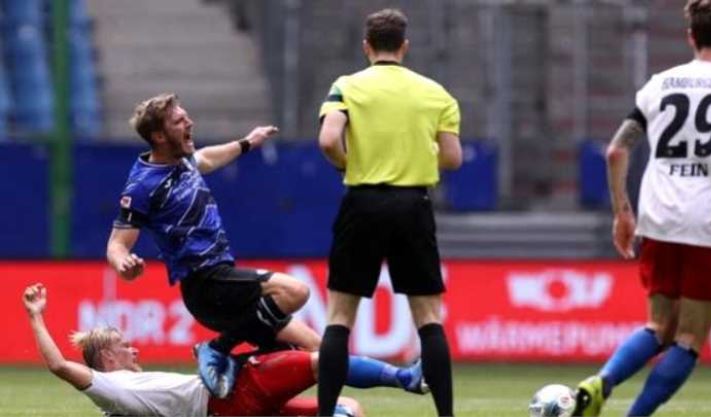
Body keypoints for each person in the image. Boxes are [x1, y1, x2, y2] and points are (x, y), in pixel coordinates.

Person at [573, 1, 711, 416]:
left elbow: (617, 150)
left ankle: (602, 380)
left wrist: (623, 212)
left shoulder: (659, 85)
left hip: (659, 218)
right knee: (688, 338)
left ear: (691, 36)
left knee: (658, 328)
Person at [105, 93, 312, 398]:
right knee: (296, 291)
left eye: (186, 116)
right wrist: (123, 264)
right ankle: (218, 348)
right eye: (179, 121)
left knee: (314, 351)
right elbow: (116, 244)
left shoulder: (183, 161)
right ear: (159, 136)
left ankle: (230, 370)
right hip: (205, 283)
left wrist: (247, 142)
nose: (189, 122)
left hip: (223, 279)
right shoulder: (142, 186)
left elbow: (208, 158)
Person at [315, 8, 462, 417]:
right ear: (405, 46)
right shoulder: (435, 93)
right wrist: (421, 152)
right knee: (428, 318)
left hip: (362, 201)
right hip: (413, 205)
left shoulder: (346, 86)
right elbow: (452, 158)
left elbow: (328, 140)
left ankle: (325, 414)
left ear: (367, 47)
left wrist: (349, 163)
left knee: (340, 317)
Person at [22, 283, 428, 417]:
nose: (132, 347)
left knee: (350, 410)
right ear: (106, 360)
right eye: (122, 345)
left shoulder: (123, 398)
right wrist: (36, 316)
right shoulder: (110, 388)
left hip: (232, 408)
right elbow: (59, 365)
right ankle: (404, 377)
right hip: (235, 395)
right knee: (322, 360)